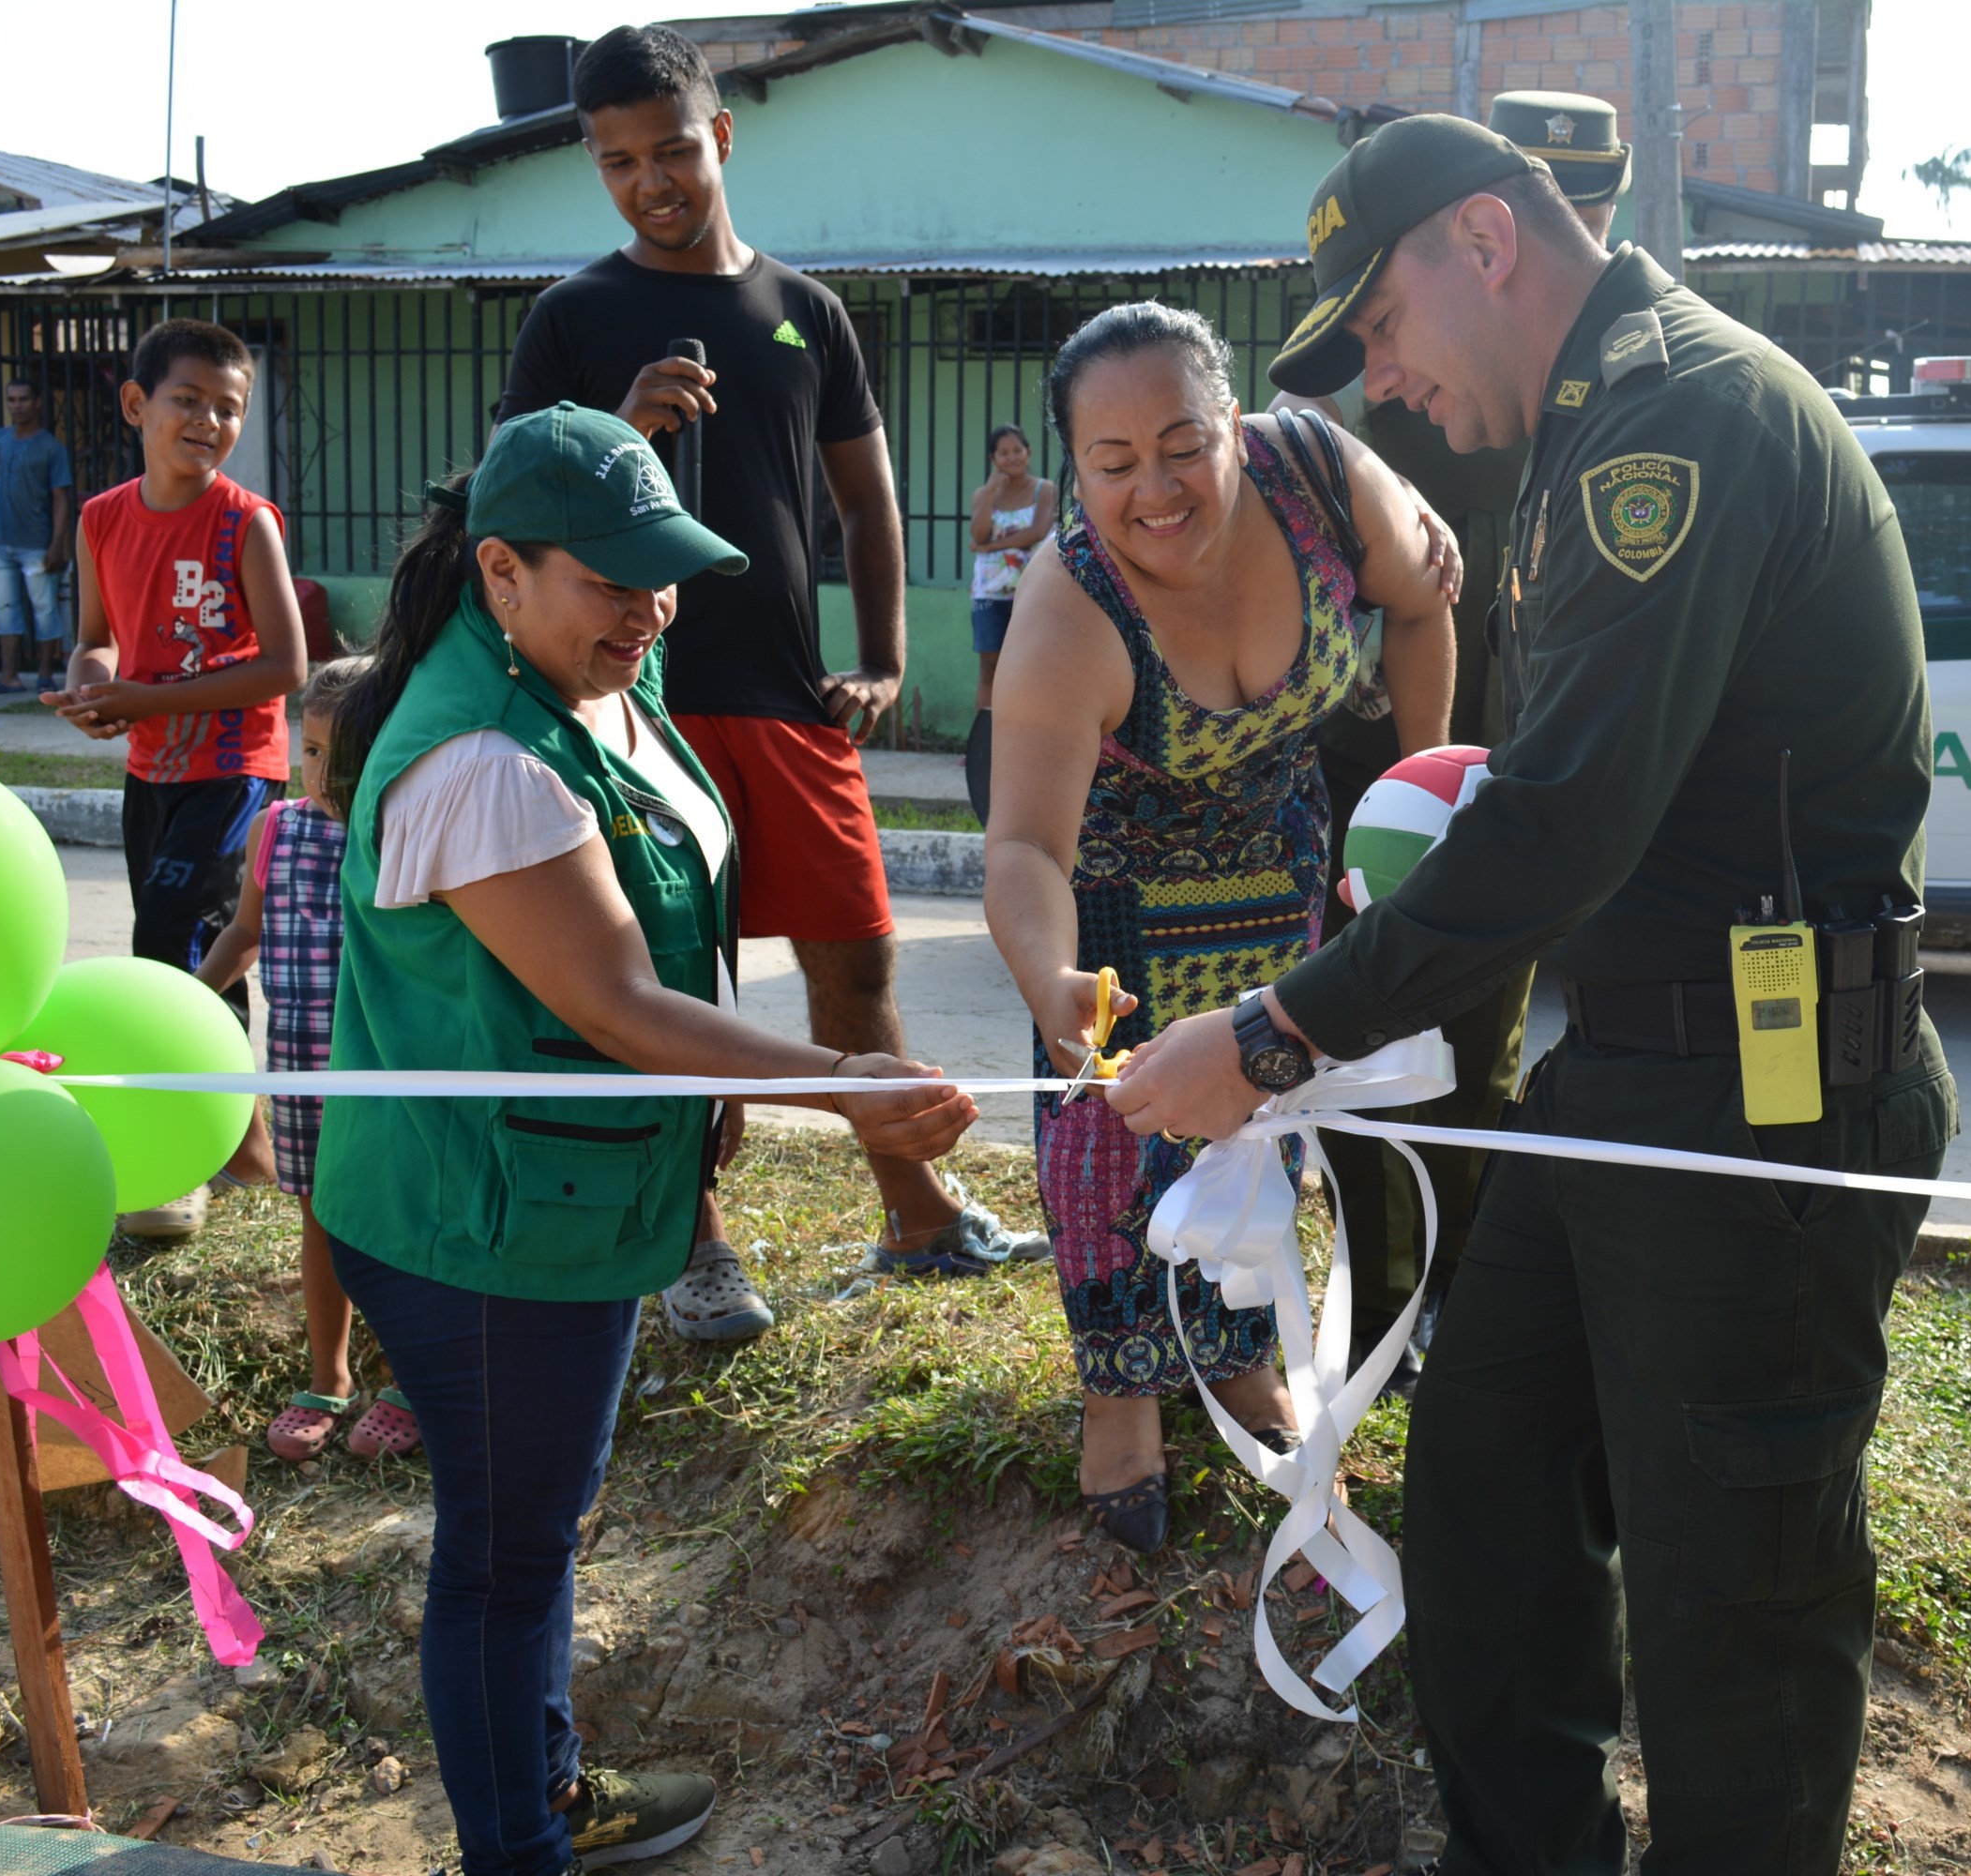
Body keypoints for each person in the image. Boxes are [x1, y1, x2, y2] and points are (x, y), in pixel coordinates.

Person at [1107, 115, 1961, 1872]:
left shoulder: (1678, 420)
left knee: (1738, 1607)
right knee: (1492, 1503)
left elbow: (1566, 824)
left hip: (1769, 1098)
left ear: (1486, 241)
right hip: (1630, 1075)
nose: (1386, 384)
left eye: (1384, 327)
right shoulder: (1589, 441)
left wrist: (1275, 1031)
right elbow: (1582, 783)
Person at [313, 404, 977, 1876]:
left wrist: (737, 1087)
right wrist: (837, 1079)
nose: (650, 609)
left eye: (660, 573)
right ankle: (522, 1846)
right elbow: (614, 1002)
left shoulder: (603, 674)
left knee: (536, 1526)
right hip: (479, 1226)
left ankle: (540, 1801)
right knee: (505, 1553)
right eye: (612, 579)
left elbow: (661, 924)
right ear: (501, 571)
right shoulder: (479, 758)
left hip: (565, 1196)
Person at [497, 24, 1039, 1346]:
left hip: (793, 706)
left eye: (671, 149)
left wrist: (887, 656)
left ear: (720, 137)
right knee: (671, 995)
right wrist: (620, 427)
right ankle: (693, 1249)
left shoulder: (811, 312)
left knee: (854, 970)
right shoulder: (570, 321)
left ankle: (919, 1217)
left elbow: (866, 497)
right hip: (638, 712)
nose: (650, 182)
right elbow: (505, 517)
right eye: (617, 162)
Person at [982, 303, 1456, 1551]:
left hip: (1282, 870)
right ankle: (1119, 1391)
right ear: (1076, 468)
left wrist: (1418, 804)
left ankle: (1242, 1352)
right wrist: (1051, 977)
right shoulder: (1069, 606)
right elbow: (1023, 845)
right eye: (1114, 460)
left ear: (1235, 426)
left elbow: (1422, 601)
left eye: (1183, 444)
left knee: (1265, 1123)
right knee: (1113, 1154)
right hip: (1114, 899)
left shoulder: (1320, 479)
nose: (1155, 488)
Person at [1274, 89, 1631, 1394]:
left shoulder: (1610, 410)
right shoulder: (1423, 393)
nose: (1575, 234)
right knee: (1373, 1062)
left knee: (1474, 1061)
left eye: (1591, 207)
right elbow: (1383, 591)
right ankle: (1377, 1303)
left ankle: (1453, 1299)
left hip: (1515, 796)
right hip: (1399, 781)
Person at [47, 318, 306, 1237]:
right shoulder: (100, 519)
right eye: (188, 400)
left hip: (234, 766)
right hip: (149, 766)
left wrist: (145, 700)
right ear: (135, 404)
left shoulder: (246, 521)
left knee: (165, 944)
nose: (208, 420)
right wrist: (90, 687)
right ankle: (240, 1138)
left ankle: (177, 1157)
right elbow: (93, 638)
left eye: (228, 408)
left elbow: (287, 665)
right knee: (199, 953)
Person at [194, 656, 420, 1462]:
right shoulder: (276, 829)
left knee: (398, 1222)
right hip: (299, 1070)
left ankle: (408, 1378)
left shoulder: (406, 832)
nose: (326, 774)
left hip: (386, 1073)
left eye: (349, 756)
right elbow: (244, 933)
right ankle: (329, 1377)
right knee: (320, 1219)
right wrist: (191, 997)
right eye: (314, 751)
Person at [0, 372, 75, 695]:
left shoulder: (51, 448)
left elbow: (60, 499)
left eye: (24, 399)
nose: (18, 405)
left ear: (37, 402)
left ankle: (44, 675)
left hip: (36, 545)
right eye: (12, 399)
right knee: (5, 608)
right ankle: (8, 676)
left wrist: (57, 543)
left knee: (44, 608)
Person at [967, 422, 1054, 714]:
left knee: (1032, 665)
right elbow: (978, 535)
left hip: (1032, 593)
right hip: (989, 595)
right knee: (989, 665)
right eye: (1003, 453)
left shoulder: (1044, 489)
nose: (1012, 457)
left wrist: (991, 547)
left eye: (1017, 450)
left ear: (1028, 452)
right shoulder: (983, 494)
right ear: (993, 458)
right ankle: (983, 745)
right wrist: (991, 493)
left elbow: (1037, 531)